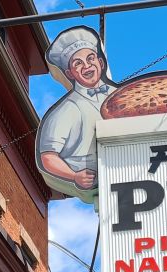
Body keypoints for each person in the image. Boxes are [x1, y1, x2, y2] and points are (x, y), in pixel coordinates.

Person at [37, 26, 117, 204]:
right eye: (78, 63)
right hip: (95, 178)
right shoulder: (67, 109)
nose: (87, 66)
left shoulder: (122, 94)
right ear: (69, 73)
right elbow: (48, 156)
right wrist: (74, 176)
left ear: (101, 63)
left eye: (90, 59)